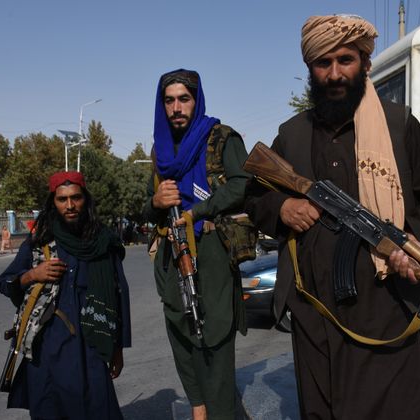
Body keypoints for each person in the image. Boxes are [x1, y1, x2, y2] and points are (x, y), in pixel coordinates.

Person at [244, 15, 420, 419]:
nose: (335, 73)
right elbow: (255, 197)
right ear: (310, 69)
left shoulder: (398, 125)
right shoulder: (291, 135)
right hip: (315, 314)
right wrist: (283, 208)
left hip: (385, 310)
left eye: (346, 60)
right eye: (323, 63)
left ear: (363, 63)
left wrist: (407, 245)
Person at [143, 69, 250, 420]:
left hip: (211, 249)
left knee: (215, 336)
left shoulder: (221, 137)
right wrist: (157, 202)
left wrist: (197, 210)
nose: (176, 107)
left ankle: (221, 412)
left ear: (196, 100)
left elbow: (242, 186)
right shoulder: (160, 150)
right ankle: (198, 407)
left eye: (183, 99)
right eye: (169, 100)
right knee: (180, 330)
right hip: (172, 253)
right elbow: (147, 207)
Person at [0, 171, 131, 419]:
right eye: (62, 199)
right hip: (48, 349)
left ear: (85, 200)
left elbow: (119, 294)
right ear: (53, 202)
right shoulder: (41, 241)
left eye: (76, 198)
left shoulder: (103, 242)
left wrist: (118, 349)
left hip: (92, 347)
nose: (70, 206)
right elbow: (5, 282)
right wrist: (32, 275)